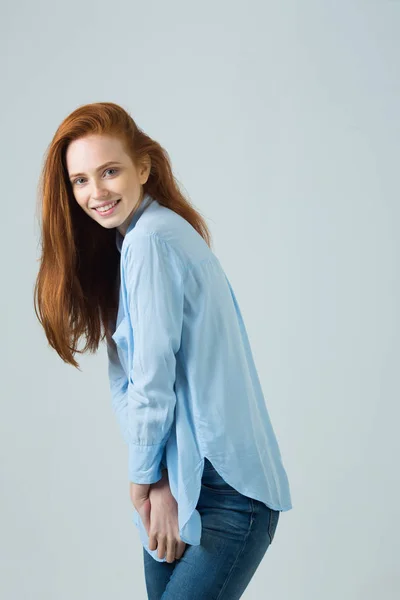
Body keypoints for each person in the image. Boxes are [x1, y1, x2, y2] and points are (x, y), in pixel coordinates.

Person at [34, 101, 292, 599]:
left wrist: (142, 480)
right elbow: (127, 379)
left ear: (143, 168)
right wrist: (158, 483)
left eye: (109, 171)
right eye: (80, 180)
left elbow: (152, 381)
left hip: (224, 491)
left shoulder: (152, 240)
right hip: (182, 480)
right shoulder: (129, 245)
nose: (95, 192)